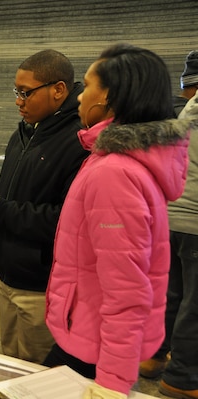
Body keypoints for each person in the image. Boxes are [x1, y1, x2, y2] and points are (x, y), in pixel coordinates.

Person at [42, 43, 192, 399]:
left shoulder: (115, 172)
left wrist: (111, 382)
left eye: (88, 85)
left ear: (109, 96)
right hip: (91, 335)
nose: (79, 95)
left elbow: (127, 290)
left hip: (95, 349)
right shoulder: (113, 159)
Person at [0, 50, 88, 363]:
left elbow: (68, 221)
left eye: (25, 93)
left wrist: (0, 210)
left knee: (39, 371)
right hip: (7, 274)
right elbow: (13, 190)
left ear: (58, 89)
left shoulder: (79, 141)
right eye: (16, 91)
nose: (18, 101)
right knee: (11, 362)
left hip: (42, 287)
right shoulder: (26, 131)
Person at [139, 49, 198, 380]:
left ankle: (154, 357)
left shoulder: (175, 114)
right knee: (195, 304)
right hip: (195, 222)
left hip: (169, 216)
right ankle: (183, 377)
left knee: (169, 294)